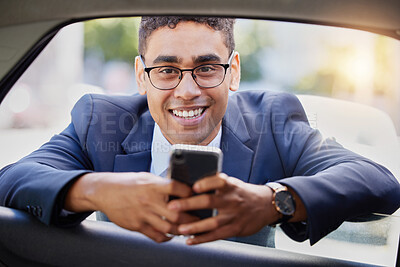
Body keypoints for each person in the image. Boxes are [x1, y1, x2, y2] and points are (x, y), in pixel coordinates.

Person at [0, 16, 399, 247]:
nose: (187, 90)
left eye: (207, 68)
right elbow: (12, 178)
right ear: (142, 76)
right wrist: (97, 190)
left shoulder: (274, 121)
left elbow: (379, 182)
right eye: (166, 70)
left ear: (235, 71)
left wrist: (274, 201)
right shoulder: (99, 120)